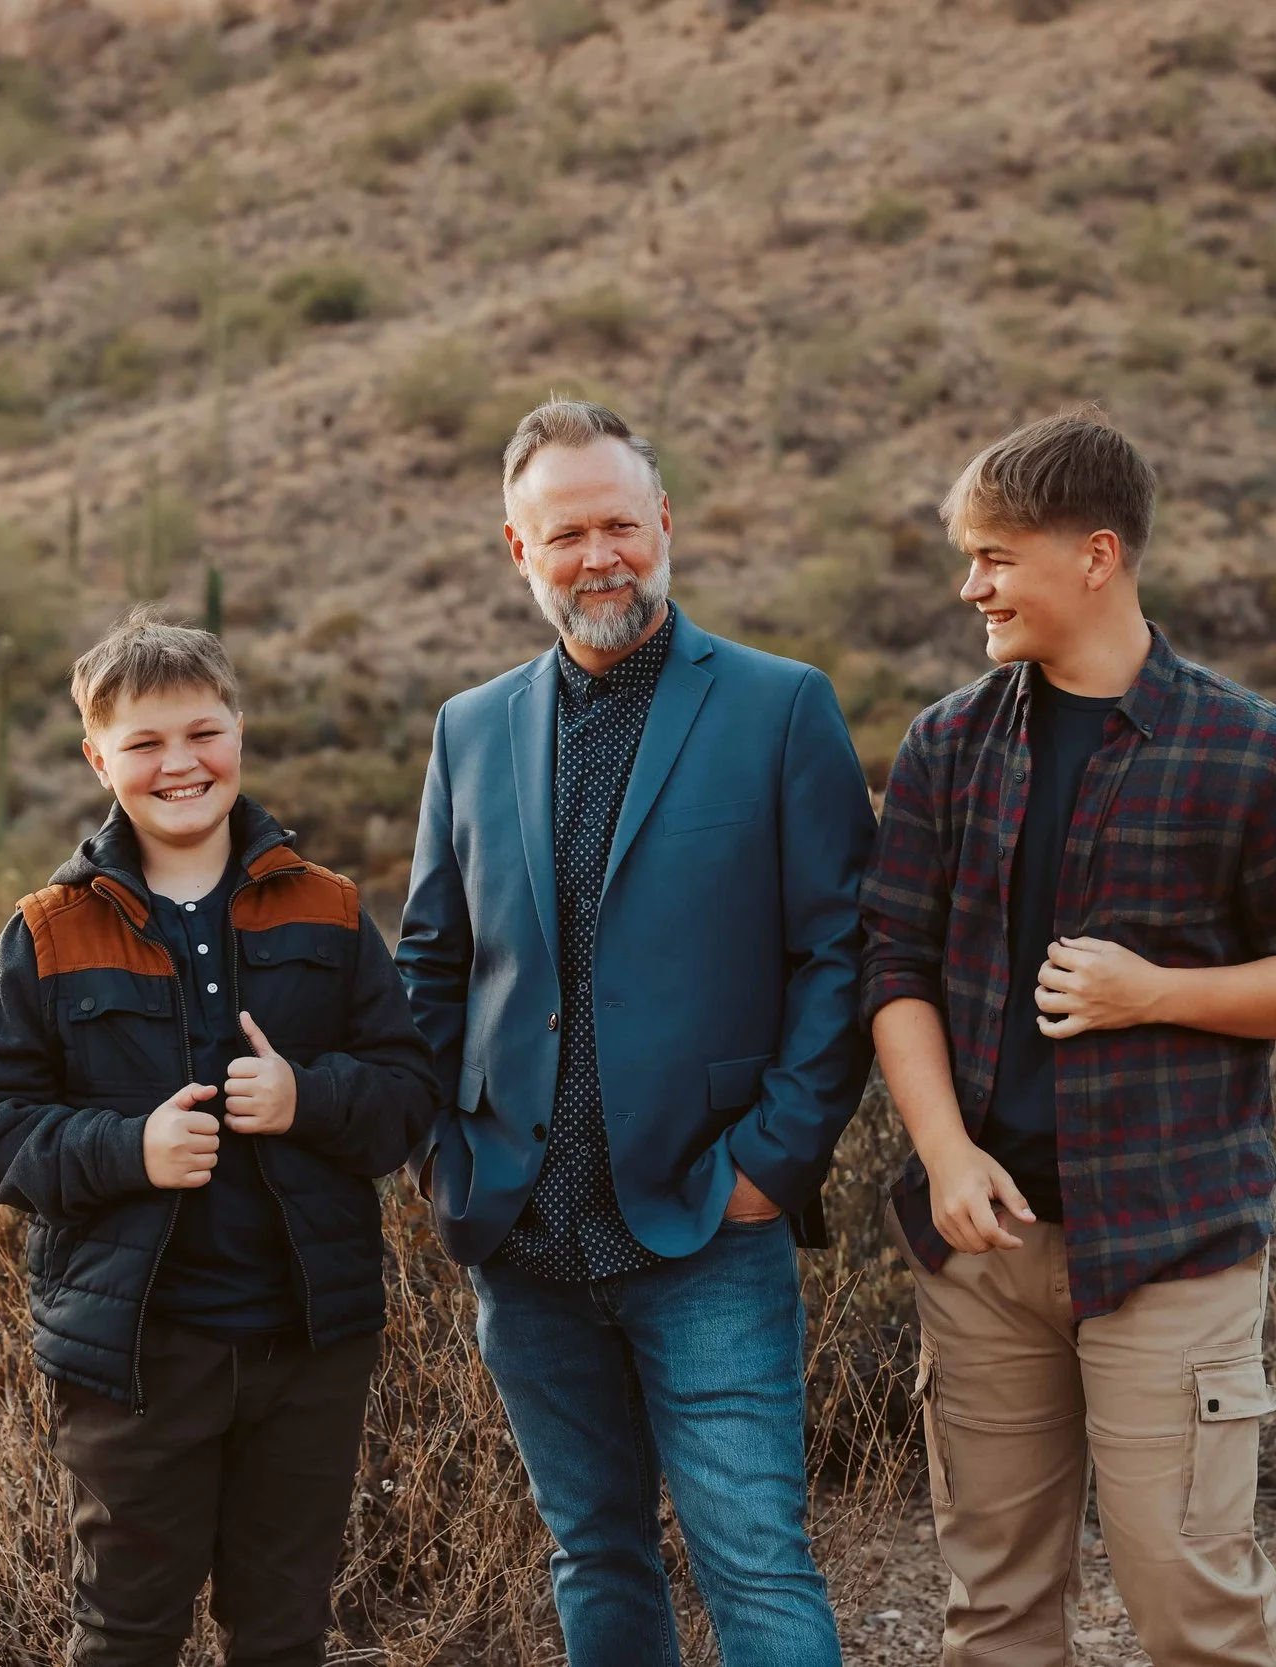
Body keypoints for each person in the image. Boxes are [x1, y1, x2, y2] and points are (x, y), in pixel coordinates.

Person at [860, 411, 1276, 1667]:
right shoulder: (946, 745)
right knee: (993, 1615)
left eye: (994, 555)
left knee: (1191, 1605)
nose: (969, 583)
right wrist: (942, 1153)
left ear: (1096, 556)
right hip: (985, 1242)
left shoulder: (1248, 748)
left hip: (1171, 1240)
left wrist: (1156, 992)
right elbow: (895, 967)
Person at [397, 399, 874, 1666]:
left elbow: (840, 953)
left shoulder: (780, 707)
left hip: (708, 1221)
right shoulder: (468, 726)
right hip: (522, 1234)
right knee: (594, 1556)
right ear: (520, 549)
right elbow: (431, 963)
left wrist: (776, 1160)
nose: (599, 554)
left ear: (663, 523)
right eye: (568, 533)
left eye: (619, 522)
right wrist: (442, 1153)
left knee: (757, 1565)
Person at [0, 612, 436, 1667]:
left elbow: (405, 1090)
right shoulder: (46, 930)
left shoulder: (331, 910)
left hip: (308, 1345)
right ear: (96, 757)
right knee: (124, 1635)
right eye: (145, 743)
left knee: (284, 1631)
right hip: (135, 1358)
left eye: (201, 732)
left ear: (239, 733)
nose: (179, 764)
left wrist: (305, 1096)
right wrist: (127, 1148)